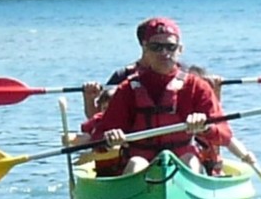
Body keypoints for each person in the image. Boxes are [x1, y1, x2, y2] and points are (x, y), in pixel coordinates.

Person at [78, 17, 236, 178]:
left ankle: (187, 195)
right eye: (156, 47)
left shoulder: (197, 86)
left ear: (180, 49)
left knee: (190, 161)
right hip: (141, 157)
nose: (164, 53)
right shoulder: (127, 89)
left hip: (184, 155)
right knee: (136, 164)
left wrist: (205, 127)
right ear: (145, 49)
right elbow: (99, 137)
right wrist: (110, 138)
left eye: (170, 47)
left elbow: (224, 134)